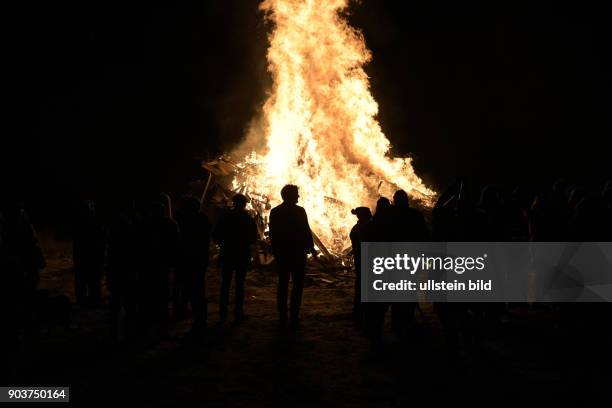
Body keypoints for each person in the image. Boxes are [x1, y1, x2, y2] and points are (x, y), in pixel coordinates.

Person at [269, 185, 314, 329]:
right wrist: (310, 247)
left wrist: (275, 250)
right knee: (297, 284)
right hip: (297, 252)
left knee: (283, 282)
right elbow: (306, 230)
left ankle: (282, 314)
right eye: (296, 194)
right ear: (289, 195)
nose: (298, 196)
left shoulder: (275, 211)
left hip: (283, 253)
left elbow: (273, 234)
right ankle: (294, 314)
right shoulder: (300, 211)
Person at [214, 194, 258, 324]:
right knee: (240, 285)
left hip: (227, 253)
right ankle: (238, 313)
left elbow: (216, 235)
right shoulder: (248, 219)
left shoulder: (225, 218)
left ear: (233, 203)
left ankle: (223, 313)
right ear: (244, 204)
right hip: (242, 254)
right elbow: (253, 239)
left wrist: (223, 244)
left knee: (225, 284)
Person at [175, 196, 210, 334]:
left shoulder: (182, 220)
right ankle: (197, 317)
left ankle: (195, 316)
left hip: (189, 258)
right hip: (196, 258)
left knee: (190, 287)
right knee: (196, 288)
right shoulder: (202, 219)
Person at [72, 200, 106, 309]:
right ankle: (89, 300)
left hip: (89, 257)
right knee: (90, 280)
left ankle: (89, 300)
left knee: (89, 281)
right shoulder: (92, 223)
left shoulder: (88, 224)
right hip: (88, 257)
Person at [349, 206, 372, 328]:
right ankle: (362, 315)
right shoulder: (364, 228)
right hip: (366, 262)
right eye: (369, 213)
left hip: (360, 263)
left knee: (360, 289)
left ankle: (357, 313)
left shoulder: (357, 228)